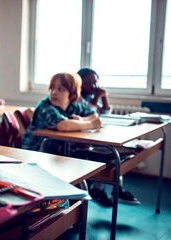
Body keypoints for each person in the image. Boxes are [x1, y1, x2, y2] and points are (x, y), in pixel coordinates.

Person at [77, 67, 140, 206]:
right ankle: (104, 189)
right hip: (82, 141)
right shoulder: (77, 98)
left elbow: (106, 114)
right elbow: (89, 113)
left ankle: (109, 189)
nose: (93, 86)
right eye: (88, 83)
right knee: (114, 152)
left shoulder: (91, 97)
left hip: (94, 136)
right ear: (79, 84)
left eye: (95, 82)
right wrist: (97, 97)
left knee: (124, 149)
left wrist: (104, 97)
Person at [22, 72, 101, 155]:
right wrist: (91, 124)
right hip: (36, 152)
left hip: (57, 151)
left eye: (60, 89)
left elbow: (93, 114)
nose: (54, 92)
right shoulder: (45, 107)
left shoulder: (73, 106)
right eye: (52, 88)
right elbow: (63, 125)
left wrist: (82, 119)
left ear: (72, 95)